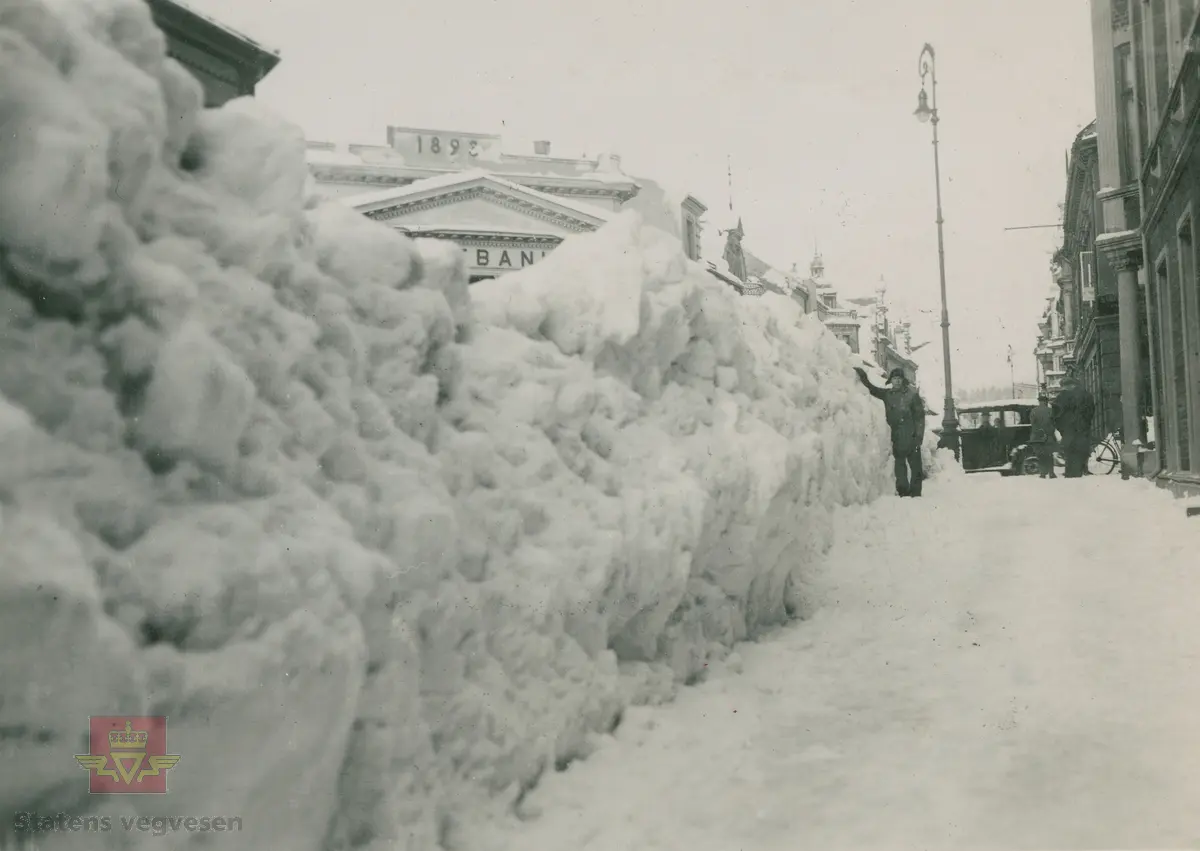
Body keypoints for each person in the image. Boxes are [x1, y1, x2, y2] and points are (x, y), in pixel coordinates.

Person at [854, 366, 926, 497]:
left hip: (911, 435)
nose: (897, 381)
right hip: (897, 435)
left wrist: (919, 437)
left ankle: (916, 493)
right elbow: (873, 389)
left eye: (899, 379)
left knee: (915, 466)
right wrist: (863, 376)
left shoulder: (912, 395)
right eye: (895, 378)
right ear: (891, 380)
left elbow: (920, 417)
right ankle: (903, 491)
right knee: (899, 465)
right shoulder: (888, 395)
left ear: (903, 380)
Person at [1052, 376, 1096, 478]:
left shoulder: (1061, 397)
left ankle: (1071, 474)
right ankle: (1081, 471)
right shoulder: (1086, 395)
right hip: (1082, 429)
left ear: (1068, 386)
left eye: (1063, 386)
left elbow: (1055, 415)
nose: (1063, 388)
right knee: (1081, 450)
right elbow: (1091, 411)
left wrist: (1061, 428)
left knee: (1069, 452)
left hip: (1068, 430)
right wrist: (1086, 423)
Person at [1029, 392, 1057, 479]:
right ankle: (1051, 473)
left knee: (1041, 455)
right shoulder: (1051, 411)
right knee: (1049, 455)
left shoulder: (1033, 411)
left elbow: (1032, 423)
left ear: (1039, 401)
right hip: (1049, 436)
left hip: (1037, 437)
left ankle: (1042, 473)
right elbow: (1054, 423)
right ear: (1046, 401)